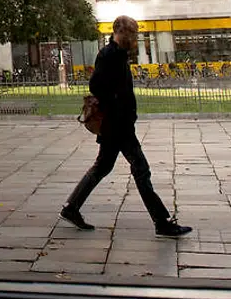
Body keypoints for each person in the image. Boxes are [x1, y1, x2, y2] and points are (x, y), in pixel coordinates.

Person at [60, 15, 192, 237]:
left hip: (119, 124)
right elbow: (95, 85)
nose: (134, 38)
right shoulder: (109, 55)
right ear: (119, 32)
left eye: (135, 34)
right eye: (131, 34)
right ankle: (161, 221)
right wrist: (115, 103)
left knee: (102, 167)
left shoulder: (119, 55)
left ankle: (71, 208)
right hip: (118, 125)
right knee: (141, 170)